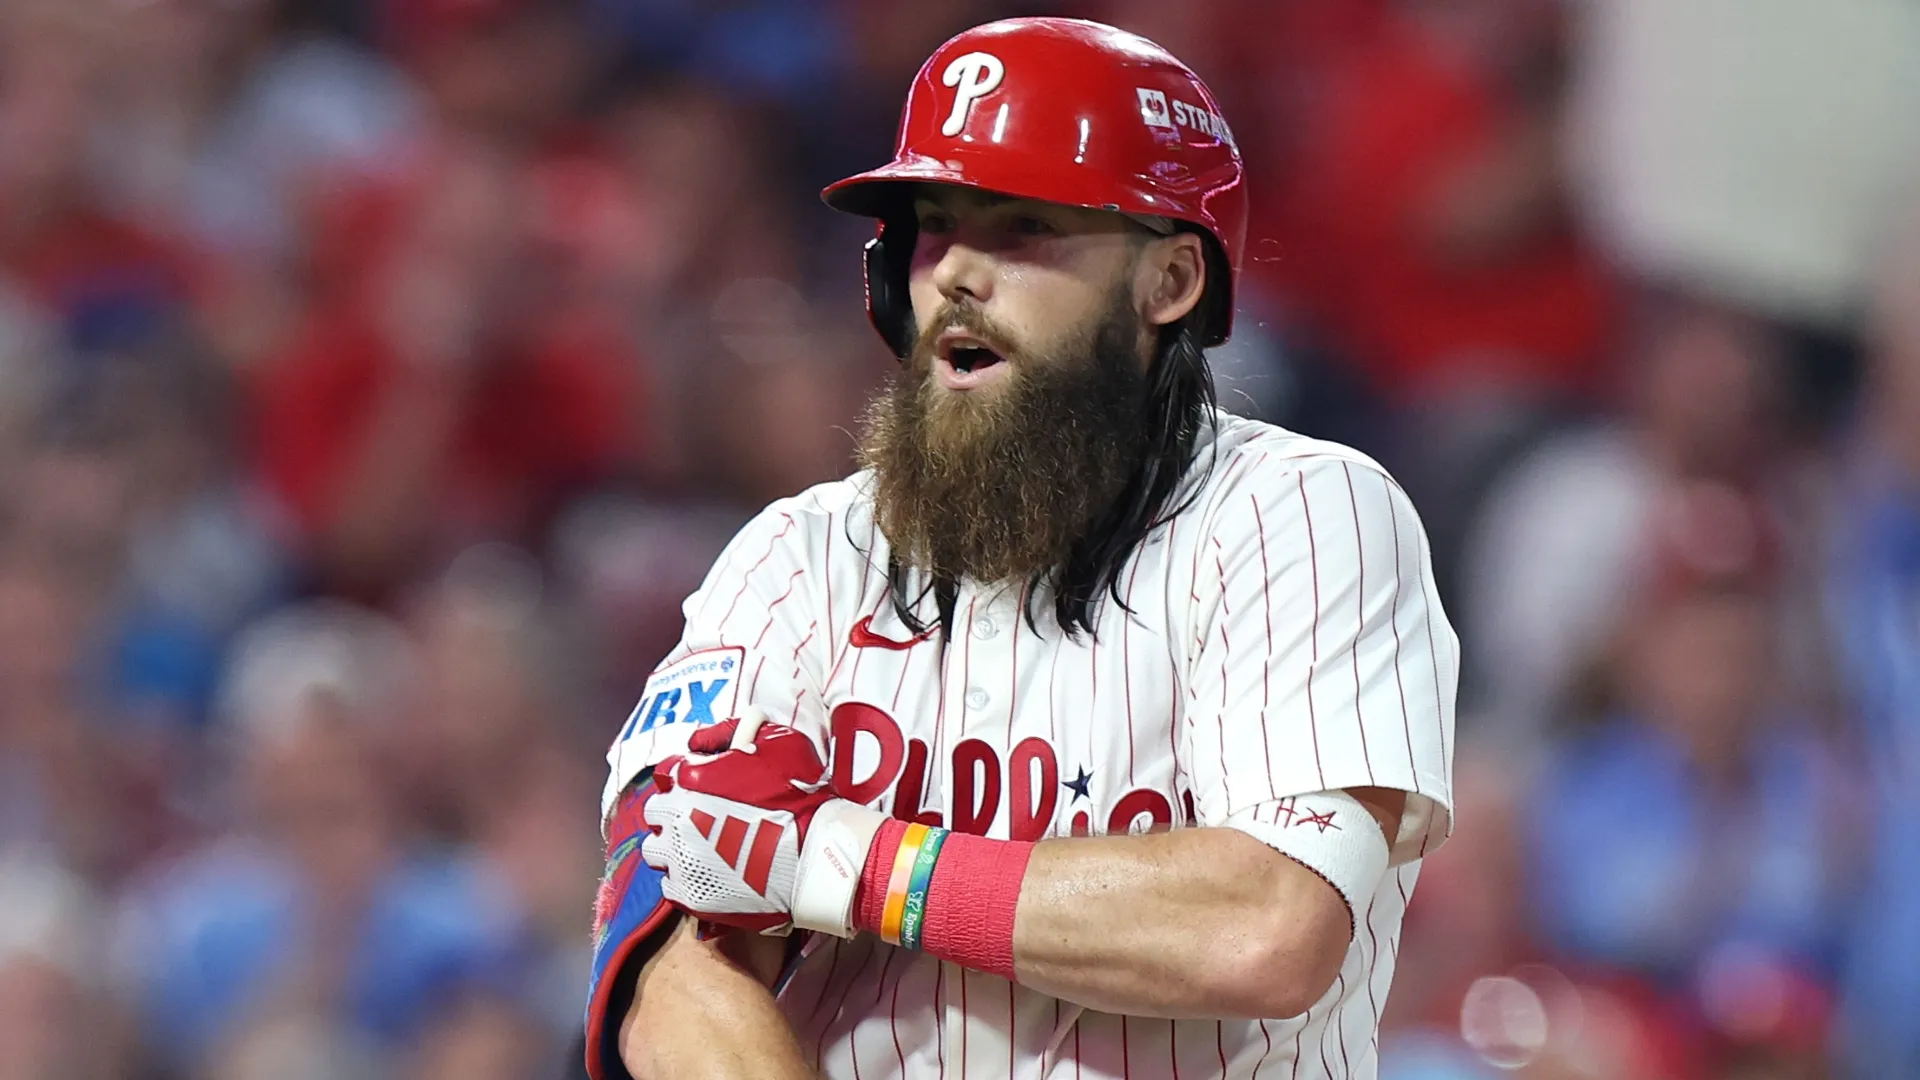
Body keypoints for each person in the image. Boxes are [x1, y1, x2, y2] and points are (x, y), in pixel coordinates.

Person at [584, 18, 1458, 1080]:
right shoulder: (793, 561)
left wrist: (847, 861)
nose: (956, 273)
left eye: (1023, 229)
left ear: (1170, 283)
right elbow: (671, 975)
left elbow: (1266, 929)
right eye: (936, 226)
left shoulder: (1304, 516)